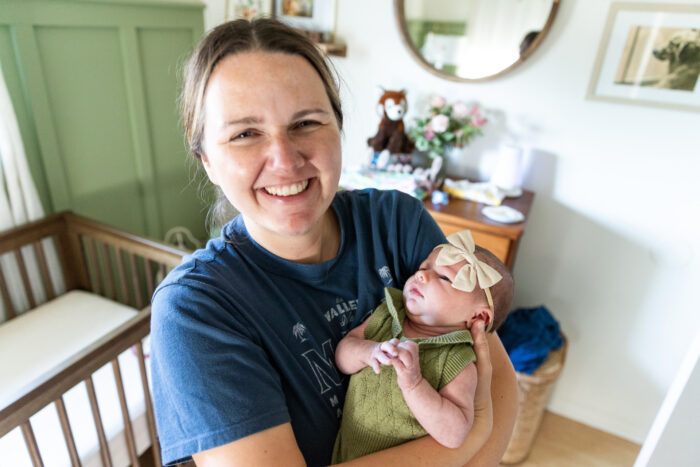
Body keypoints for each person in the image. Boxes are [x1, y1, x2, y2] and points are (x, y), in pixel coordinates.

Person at [150, 17, 518, 466]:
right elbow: (483, 420)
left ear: (339, 130)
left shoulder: (396, 222)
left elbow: (496, 382)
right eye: (245, 133)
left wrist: (479, 431)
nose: (285, 160)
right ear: (207, 159)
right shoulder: (196, 310)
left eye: (305, 122)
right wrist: (473, 431)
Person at [332, 230, 513, 463]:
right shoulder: (388, 315)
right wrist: (368, 352)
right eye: (424, 267)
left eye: (444, 278)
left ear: (478, 316)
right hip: (345, 454)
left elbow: (455, 435)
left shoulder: (457, 360)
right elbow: (342, 356)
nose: (421, 276)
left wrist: (414, 384)